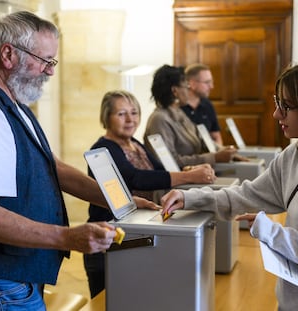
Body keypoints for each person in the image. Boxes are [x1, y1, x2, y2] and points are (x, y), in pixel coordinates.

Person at [161, 59, 298, 311]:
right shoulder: (295, 154)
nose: (276, 114)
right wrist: (191, 198)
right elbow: (244, 195)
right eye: (277, 103)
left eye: (286, 107)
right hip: (292, 302)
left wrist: (273, 234)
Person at [0, 11, 157, 310]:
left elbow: (54, 167)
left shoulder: (15, 104)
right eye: (45, 61)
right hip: (0, 280)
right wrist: (67, 237)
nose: (50, 72)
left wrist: (119, 199)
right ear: (8, 54)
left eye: (53, 62)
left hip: (16, 278)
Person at [83, 89, 216, 298]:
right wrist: (187, 178)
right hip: (108, 243)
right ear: (106, 117)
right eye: (121, 114)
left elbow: (158, 172)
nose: (130, 119)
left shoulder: (135, 144)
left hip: (136, 237)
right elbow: (136, 178)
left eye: (134, 112)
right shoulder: (103, 148)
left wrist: (186, 172)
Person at [144, 64, 245, 169]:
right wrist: (214, 157)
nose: (189, 90)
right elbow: (170, 162)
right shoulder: (159, 119)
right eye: (186, 86)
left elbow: (201, 139)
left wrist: (224, 151)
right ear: (175, 91)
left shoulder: (179, 113)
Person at [181, 63, 223, 145]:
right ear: (191, 83)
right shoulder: (176, 108)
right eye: (207, 82)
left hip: (209, 154)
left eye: (211, 82)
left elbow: (216, 136)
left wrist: (219, 155)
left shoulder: (207, 104)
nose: (211, 86)